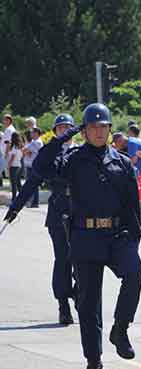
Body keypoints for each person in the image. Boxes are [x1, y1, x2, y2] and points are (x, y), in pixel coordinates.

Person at [32, 103, 141, 369]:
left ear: (109, 130)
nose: (98, 131)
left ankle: (120, 329)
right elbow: (41, 167)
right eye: (92, 127)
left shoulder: (120, 162)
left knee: (135, 273)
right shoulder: (72, 160)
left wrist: (134, 239)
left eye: (103, 127)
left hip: (117, 234)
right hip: (85, 236)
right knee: (89, 303)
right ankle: (94, 364)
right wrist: (59, 138)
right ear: (84, 130)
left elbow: (133, 205)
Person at [4, 114, 79, 325]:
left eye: (68, 127)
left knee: (85, 259)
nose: (64, 131)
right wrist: (15, 207)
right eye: (60, 128)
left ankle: (79, 293)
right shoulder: (48, 155)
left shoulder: (83, 151)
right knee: (63, 258)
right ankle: (63, 304)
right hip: (58, 212)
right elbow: (32, 183)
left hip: (81, 211)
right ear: (55, 132)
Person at [22, 127, 44, 207]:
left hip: (33, 166)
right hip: (32, 165)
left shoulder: (36, 142)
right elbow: (26, 151)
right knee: (34, 185)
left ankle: (33, 202)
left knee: (32, 185)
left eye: (32, 132)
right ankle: (34, 202)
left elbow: (24, 150)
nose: (31, 134)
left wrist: (27, 151)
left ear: (36, 133)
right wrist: (27, 152)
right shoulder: (35, 142)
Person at [6, 132, 24, 201]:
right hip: (19, 165)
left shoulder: (14, 147)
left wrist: (8, 165)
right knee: (18, 183)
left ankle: (14, 199)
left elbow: (12, 157)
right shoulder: (20, 146)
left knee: (13, 183)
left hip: (13, 166)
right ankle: (22, 198)